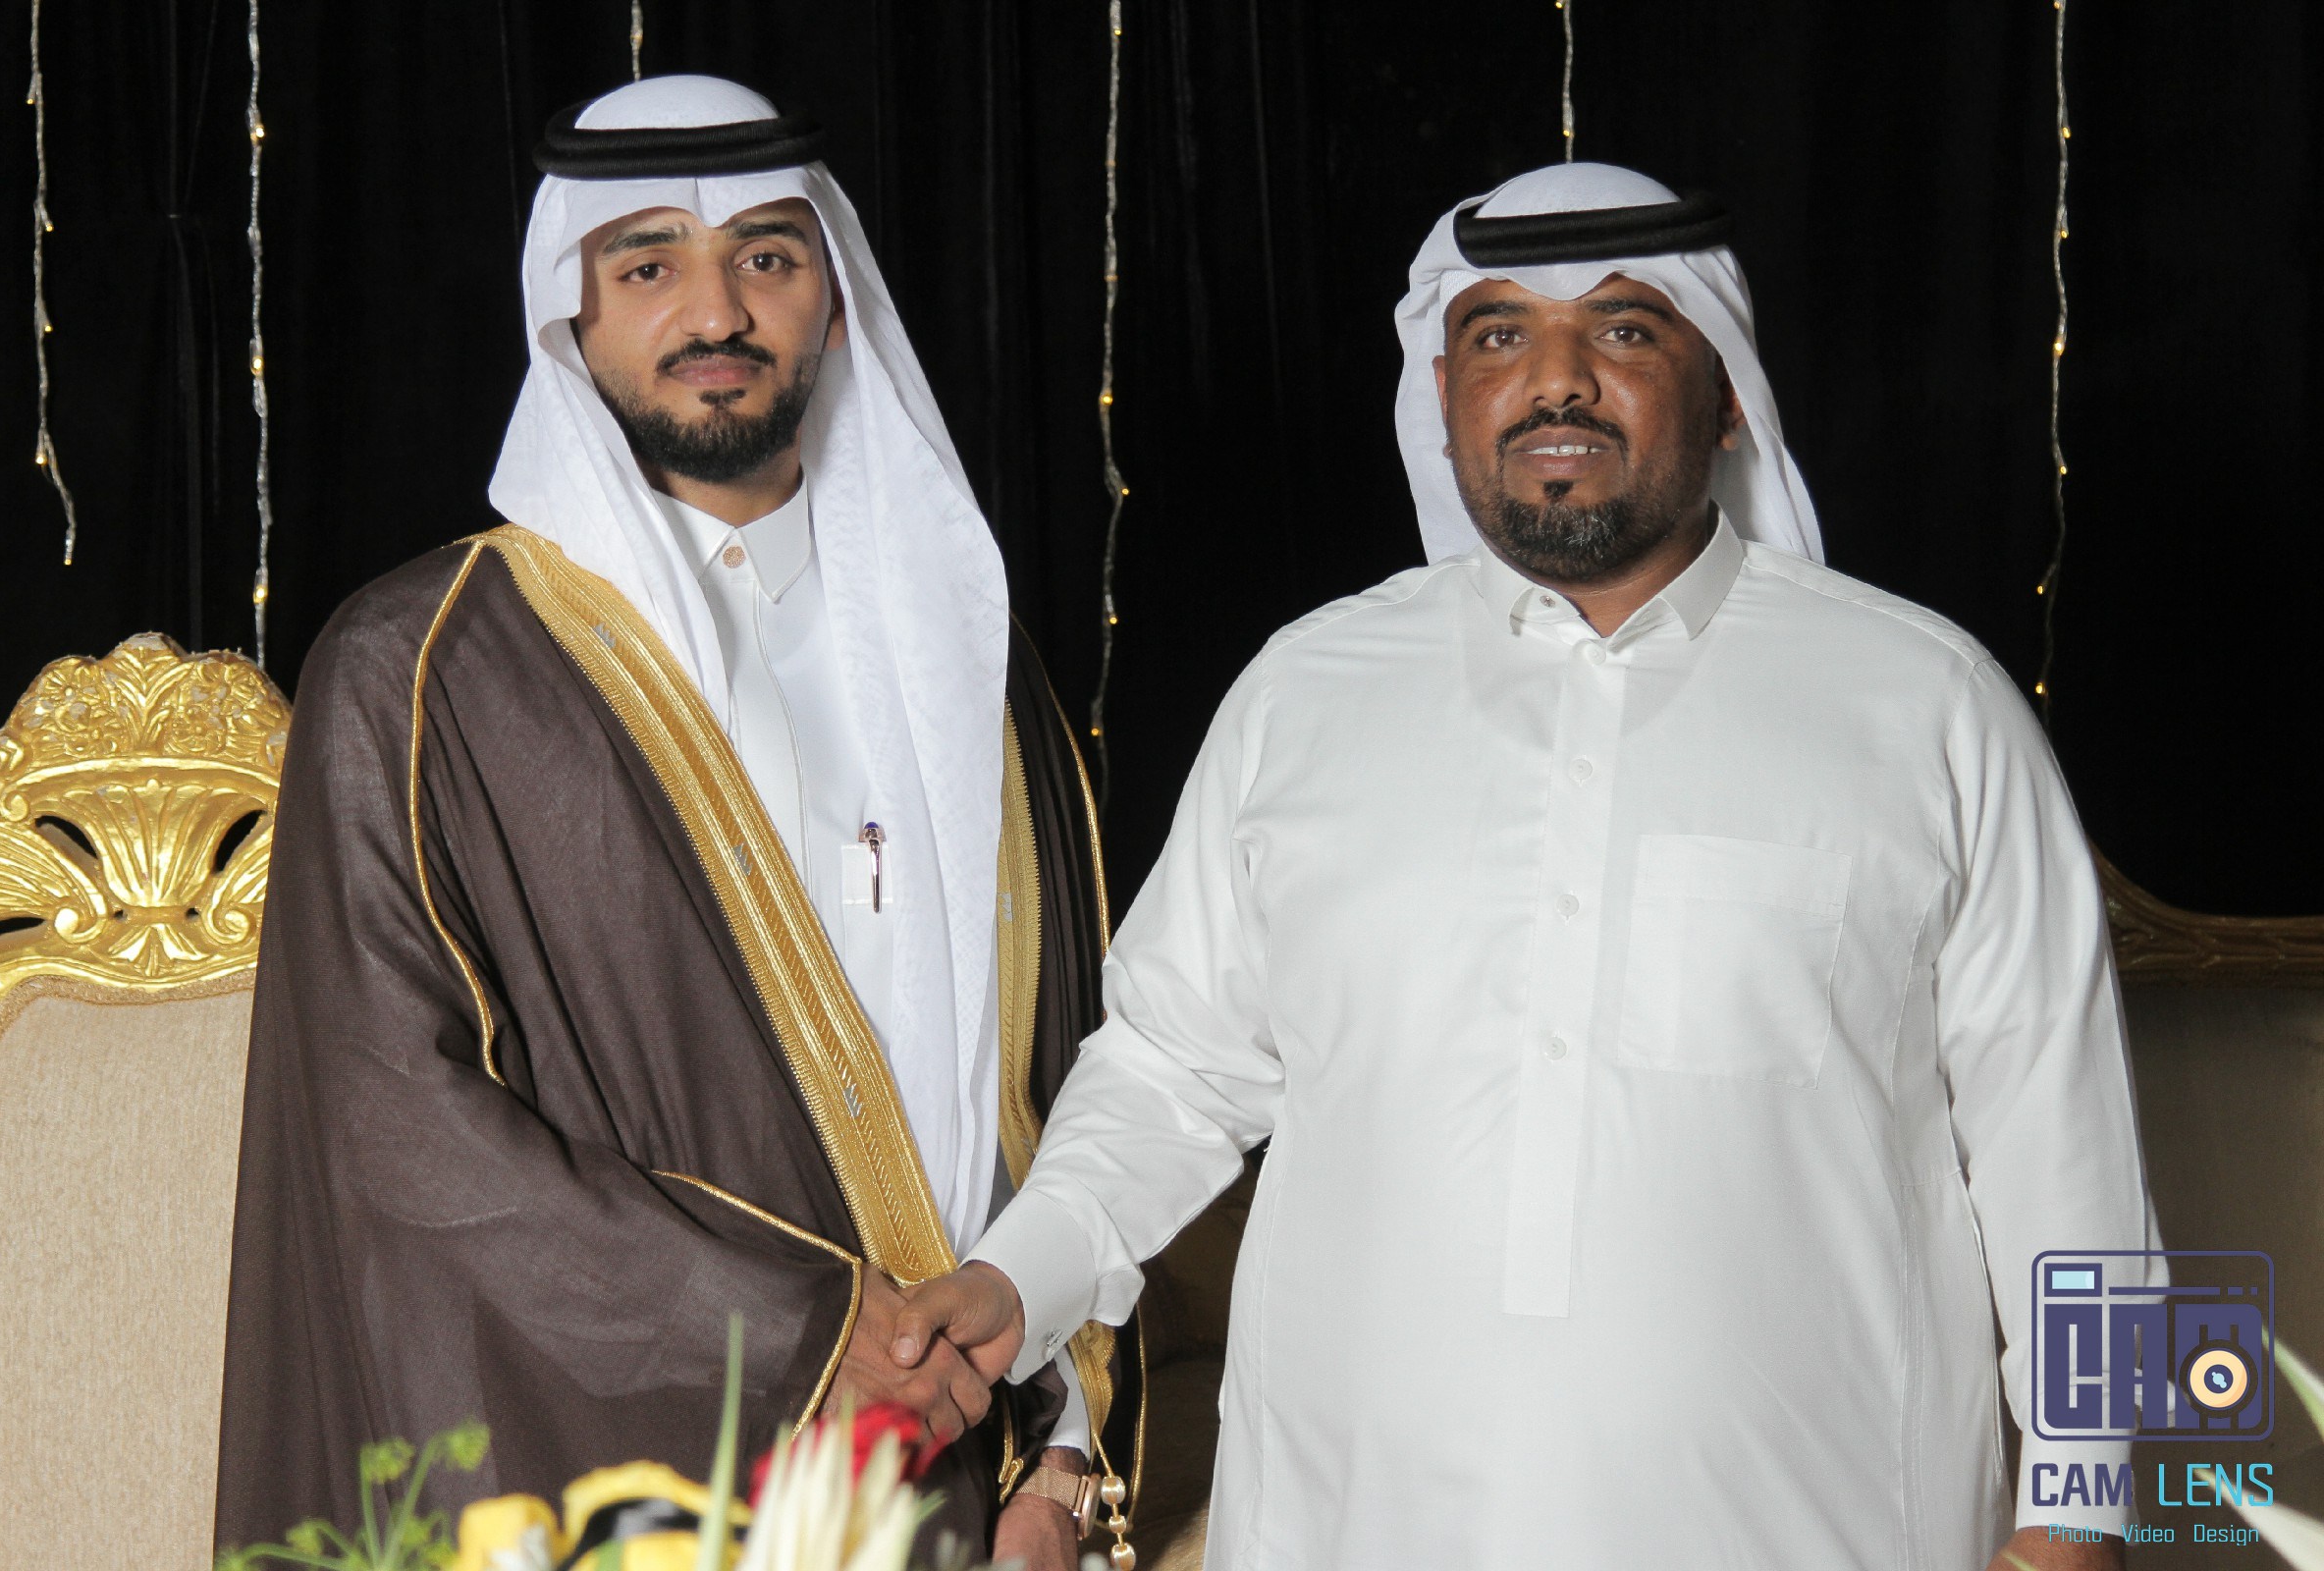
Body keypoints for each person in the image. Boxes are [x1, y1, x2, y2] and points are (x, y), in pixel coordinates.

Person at [894, 163, 2157, 1571]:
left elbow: (2071, 1159)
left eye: (1623, 330)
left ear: (1726, 392)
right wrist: (1024, 1276)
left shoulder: (1928, 705)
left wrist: (2085, 1512)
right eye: (1500, 335)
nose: (1557, 381)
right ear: (1445, 395)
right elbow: (1170, 1070)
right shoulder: (1304, 695)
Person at [214, 76, 1136, 1571]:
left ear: (834, 298)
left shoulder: (972, 657)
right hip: (613, 1490)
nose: (718, 312)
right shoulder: (423, 668)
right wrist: (801, 1337)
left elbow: (1082, 1075)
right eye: (648, 265)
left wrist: (1067, 1462)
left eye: (766, 257)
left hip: (974, 1492)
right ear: (568, 315)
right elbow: (399, 1134)